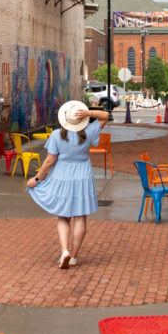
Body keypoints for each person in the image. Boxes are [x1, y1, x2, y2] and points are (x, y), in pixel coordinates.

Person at [26, 100, 109, 269]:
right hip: (83, 177)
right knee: (80, 216)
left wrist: (37, 179)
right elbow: (105, 115)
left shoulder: (57, 135)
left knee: (63, 216)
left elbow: (49, 161)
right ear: (81, 118)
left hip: (62, 176)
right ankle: (74, 256)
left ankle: (64, 250)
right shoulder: (89, 131)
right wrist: (89, 114)